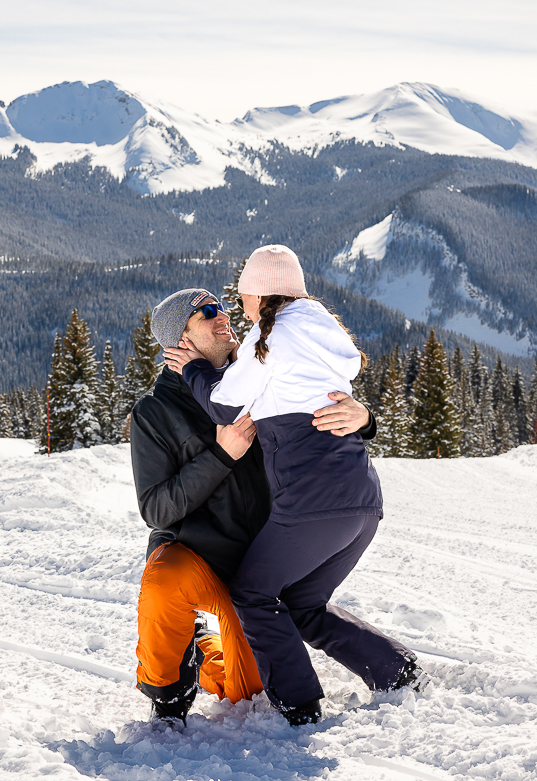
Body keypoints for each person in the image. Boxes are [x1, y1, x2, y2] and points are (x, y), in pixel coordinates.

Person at [173, 245, 426, 726]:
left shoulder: (270, 337)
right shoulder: (320, 329)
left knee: (251, 593)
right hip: (363, 503)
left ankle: (298, 704)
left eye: (243, 294)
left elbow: (226, 406)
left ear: (258, 293)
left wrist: (192, 369)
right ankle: (397, 671)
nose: (239, 305)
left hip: (312, 505)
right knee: (302, 603)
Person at [130, 287, 375, 730]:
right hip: (197, 557)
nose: (222, 315)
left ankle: (204, 646)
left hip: (255, 567)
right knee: (164, 581)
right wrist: (221, 455)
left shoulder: (259, 373)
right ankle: (166, 690)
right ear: (179, 341)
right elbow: (156, 508)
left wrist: (364, 417)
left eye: (221, 307)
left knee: (248, 691)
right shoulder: (156, 411)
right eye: (206, 313)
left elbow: (317, 411)